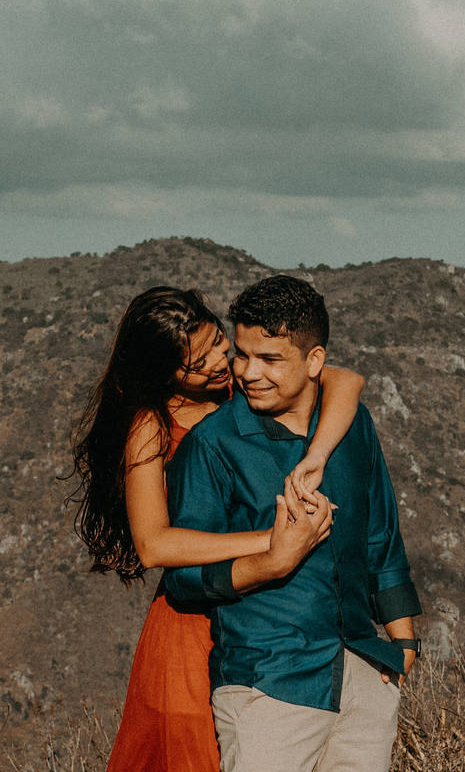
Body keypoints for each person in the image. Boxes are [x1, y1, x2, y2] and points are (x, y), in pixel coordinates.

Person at [70, 286, 364, 772]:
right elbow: (153, 545)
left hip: (268, 617)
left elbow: (346, 381)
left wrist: (316, 456)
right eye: (196, 361)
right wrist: (274, 540)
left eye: (217, 343)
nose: (218, 362)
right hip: (191, 624)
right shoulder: (151, 425)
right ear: (162, 371)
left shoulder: (245, 387)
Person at [164, 275, 422, 772]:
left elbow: (381, 535)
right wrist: (271, 563)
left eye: (270, 359)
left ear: (314, 360)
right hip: (269, 683)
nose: (248, 372)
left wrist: (403, 642)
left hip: (365, 675)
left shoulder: (353, 424)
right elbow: (184, 579)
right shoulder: (212, 444)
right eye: (242, 355)